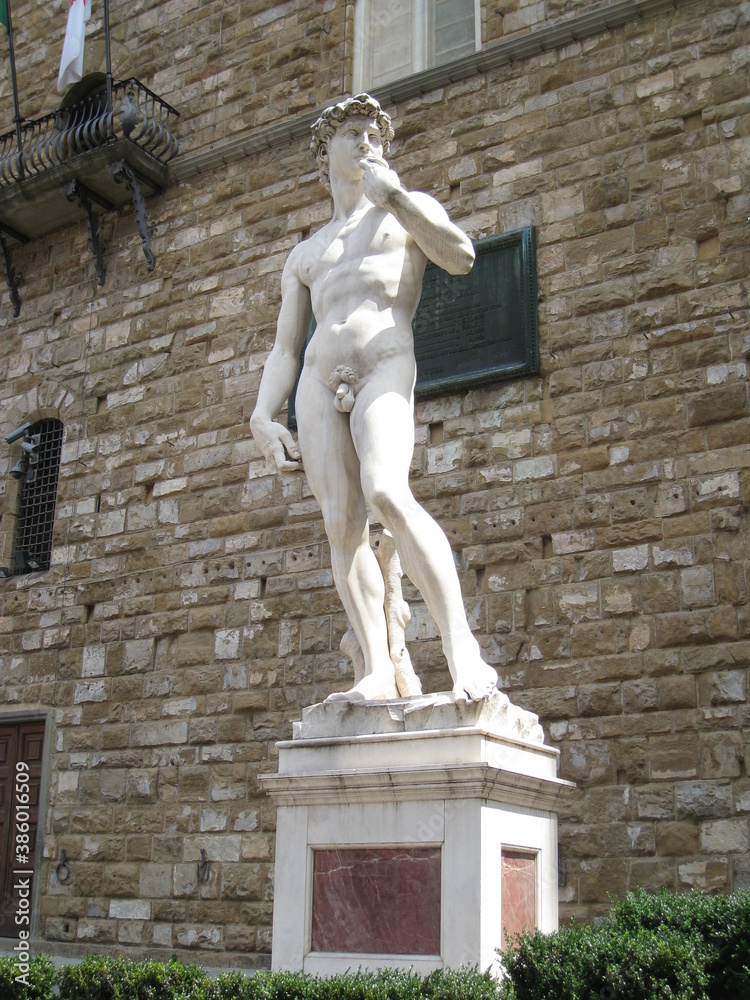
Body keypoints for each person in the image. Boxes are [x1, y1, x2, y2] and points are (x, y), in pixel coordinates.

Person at [249, 94, 498, 702]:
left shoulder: (404, 211)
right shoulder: (305, 254)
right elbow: (285, 347)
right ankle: (377, 673)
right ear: (325, 153)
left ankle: (461, 649)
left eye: (375, 135)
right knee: (342, 525)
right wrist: (260, 415)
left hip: (384, 364)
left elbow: (461, 257)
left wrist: (396, 198)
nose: (367, 143)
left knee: (386, 490)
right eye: (353, 133)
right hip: (316, 381)